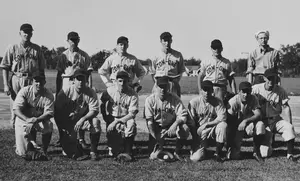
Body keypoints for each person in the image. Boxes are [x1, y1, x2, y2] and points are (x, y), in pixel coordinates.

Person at [0, 23, 45, 128]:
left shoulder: (37, 49)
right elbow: (5, 67)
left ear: (32, 34)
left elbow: (41, 68)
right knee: (16, 107)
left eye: (29, 32)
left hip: (32, 79)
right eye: (25, 32)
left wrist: (42, 83)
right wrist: (6, 85)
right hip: (17, 78)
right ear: (20, 33)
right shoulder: (12, 48)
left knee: (31, 108)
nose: (27, 34)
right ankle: (18, 140)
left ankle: (30, 140)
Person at [55, 31, 93, 148]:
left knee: (81, 110)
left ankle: (81, 138)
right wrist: (58, 90)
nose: (74, 42)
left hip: (80, 83)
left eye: (76, 40)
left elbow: (89, 73)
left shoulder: (84, 55)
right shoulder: (63, 55)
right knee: (63, 111)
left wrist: (89, 87)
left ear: (79, 40)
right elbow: (59, 73)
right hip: (66, 81)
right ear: (67, 41)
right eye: (71, 40)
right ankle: (63, 137)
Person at [54, 69, 101, 161]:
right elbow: (57, 112)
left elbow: (94, 110)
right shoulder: (65, 91)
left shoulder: (90, 92)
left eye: (83, 79)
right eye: (78, 79)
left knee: (96, 122)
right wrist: (62, 129)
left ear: (86, 80)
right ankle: (74, 143)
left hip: (83, 120)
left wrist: (83, 119)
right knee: (68, 152)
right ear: (73, 80)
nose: (80, 82)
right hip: (68, 122)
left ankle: (93, 151)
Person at [252, 68, 296, 162]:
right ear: (264, 78)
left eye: (274, 78)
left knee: (289, 127)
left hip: (275, 120)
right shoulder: (256, 89)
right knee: (265, 153)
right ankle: (256, 150)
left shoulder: (280, 90)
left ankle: (290, 154)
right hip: (261, 121)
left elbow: (286, 107)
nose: (271, 80)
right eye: (269, 78)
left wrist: (290, 122)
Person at [144, 75, 192, 161]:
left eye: (165, 86)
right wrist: (155, 136)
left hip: (171, 126)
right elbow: (149, 122)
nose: (163, 89)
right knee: (153, 157)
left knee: (184, 129)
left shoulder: (175, 99)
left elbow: (183, 115)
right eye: (160, 87)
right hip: (157, 128)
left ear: (168, 87)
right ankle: (159, 145)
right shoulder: (150, 100)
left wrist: (175, 125)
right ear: (156, 87)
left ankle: (177, 152)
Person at [13, 71, 53, 159]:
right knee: (22, 152)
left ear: (44, 82)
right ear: (32, 82)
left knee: (49, 124)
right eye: (36, 81)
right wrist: (27, 119)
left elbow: (49, 113)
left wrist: (36, 120)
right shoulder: (25, 91)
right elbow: (16, 110)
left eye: (41, 81)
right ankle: (30, 146)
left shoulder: (48, 94)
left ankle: (43, 150)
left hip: (39, 120)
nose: (39, 84)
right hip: (23, 119)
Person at [100, 71, 139, 162]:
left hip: (126, 118)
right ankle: (114, 145)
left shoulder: (133, 94)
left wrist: (116, 122)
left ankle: (128, 150)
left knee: (131, 124)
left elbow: (132, 114)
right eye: (120, 81)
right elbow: (102, 103)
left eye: (124, 81)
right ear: (116, 81)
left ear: (128, 81)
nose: (122, 84)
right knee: (114, 151)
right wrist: (105, 117)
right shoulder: (109, 91)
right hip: (112, 117)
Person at [188, 80, 227, 162]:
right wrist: (195, 141)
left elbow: (222, 117)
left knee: (223, 125)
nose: (206, 92)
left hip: (212, 130)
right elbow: (191, 123)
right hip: (200, 133)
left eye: (209, 90)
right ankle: (202, 149)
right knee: (195, 158)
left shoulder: (218, 102)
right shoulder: (194, 103)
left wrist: (207, 125)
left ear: (212, 91)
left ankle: (217, 153)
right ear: (201, 91)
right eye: (204, 90)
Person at [226, 81, 265, 162]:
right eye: (243, 92)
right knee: (234, 156)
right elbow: (229, 123)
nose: (246, 94)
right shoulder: (233, 101)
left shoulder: (253, 98)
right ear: (238, 92)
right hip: (236, 128)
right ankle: (230, 149)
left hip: (248, 126)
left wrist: (245, 121)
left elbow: (258, 114)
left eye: (248, 92)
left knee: (260, 125)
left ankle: (256, 152)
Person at [149, 32, 186, 97]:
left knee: (175, 104)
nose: (167, 43)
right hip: (159, 84)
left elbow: (181, 71)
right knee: (157, 104)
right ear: (161, 41)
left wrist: (176, 82)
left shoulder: (178, 55)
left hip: (172, 83)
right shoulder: (156, 56)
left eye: (169, 40)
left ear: (171, 41)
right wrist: (156, 83)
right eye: (165, 41)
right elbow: (152, 72)